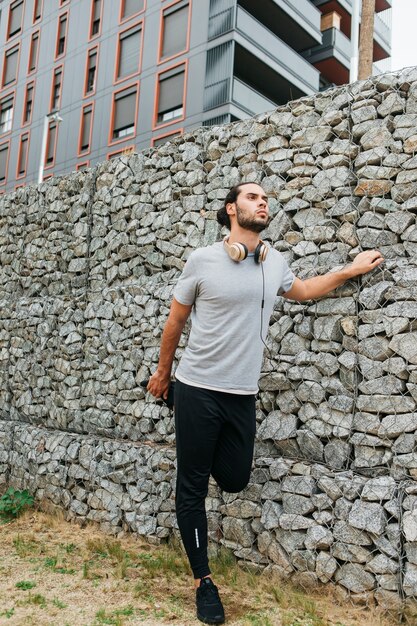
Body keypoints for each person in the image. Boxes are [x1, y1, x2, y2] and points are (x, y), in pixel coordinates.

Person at [147, 182, 383, 625]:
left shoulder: (272, 263)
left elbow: (307, 291)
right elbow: (175, 321)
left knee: (234, 478)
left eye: (265, 198)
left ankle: (195, 439)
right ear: (230, 209)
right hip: (197, 387)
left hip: (241, 393)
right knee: (192, 484)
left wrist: (350, 270)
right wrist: (163, 375)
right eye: (253, 197)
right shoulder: (202, 260)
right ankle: (205, 582)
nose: (263, 202)